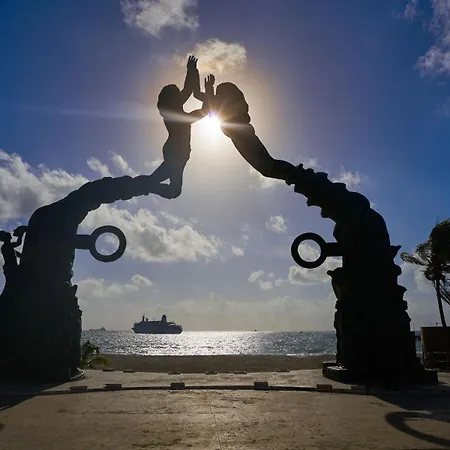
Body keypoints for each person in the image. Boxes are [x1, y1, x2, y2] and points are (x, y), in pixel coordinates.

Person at [141, 57, 215, 199]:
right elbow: (191, 93)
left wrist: (194, 72)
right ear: (172, 100)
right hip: (176, 152)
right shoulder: (174, 116)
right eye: (178, 95)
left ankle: (145, 185)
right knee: (163, 183)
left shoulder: (181, 116)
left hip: (180, 154)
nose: (181, 96)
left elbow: (191, 93)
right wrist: (193, 73)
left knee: (174, 190)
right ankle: (143, 185)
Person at [213, 82, 297, 182]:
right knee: (266, 168)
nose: (217, 95)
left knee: (267, 165)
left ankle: (299, 175)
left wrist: (208, 89)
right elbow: (204, 98)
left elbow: (208, 100)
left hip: (241, 133)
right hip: (239, 134)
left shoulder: (231, 106)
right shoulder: (225, 106)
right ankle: (297, 176)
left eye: (219, 93)